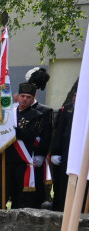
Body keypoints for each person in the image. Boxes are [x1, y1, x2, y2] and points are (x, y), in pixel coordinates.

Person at [3, 81, 53, 209]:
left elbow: (34, 135)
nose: (24, 99)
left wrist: (41, 154)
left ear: (33, 97)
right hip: (8, 155)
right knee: (7, 186)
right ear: (18, 96)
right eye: (22, 96)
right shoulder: (10, 112)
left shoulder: (38, 115)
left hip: (25, 157)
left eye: (28, 97)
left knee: (24, 190)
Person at [50, 80, 79, 212]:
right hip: (66, 151)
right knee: (63, 182)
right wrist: (55, 151)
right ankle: (60, 208)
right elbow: (59, 132)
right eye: (75, 96)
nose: (76, 98)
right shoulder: (66, 110)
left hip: (82, 153)